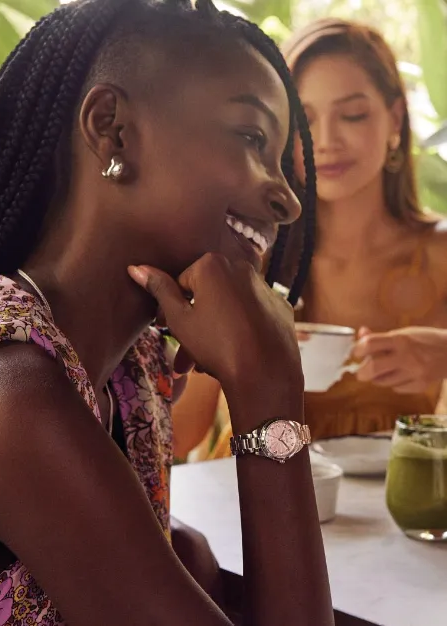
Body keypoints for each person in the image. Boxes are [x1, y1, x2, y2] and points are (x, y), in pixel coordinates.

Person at [0, 0, 333, 624]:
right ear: (111, 129)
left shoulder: (127, 365)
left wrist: (178, 555)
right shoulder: (4, 395)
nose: (286, 198)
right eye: (251, 138)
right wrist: (270, 393)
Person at [173, 17, 447, 460]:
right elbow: (176, 438)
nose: (326, 141)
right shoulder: (249, 253)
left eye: (353, 115)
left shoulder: (440, 252)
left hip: (388, 519)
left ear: (395, 117)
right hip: (249, 507)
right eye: (305, 120)